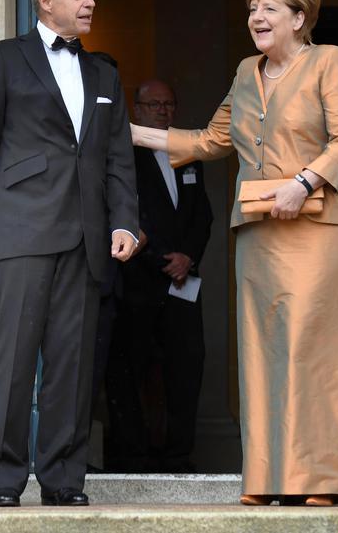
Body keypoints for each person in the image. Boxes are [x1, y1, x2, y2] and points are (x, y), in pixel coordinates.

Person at [131, 0, 338, 506]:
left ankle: (324, 479)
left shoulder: (331, 61)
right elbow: (210, 140)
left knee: (315, 348)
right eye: (252, 8)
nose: (257, 18)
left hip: (321, 223)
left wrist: (303, 182)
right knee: (262, 350)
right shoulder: (245, 72)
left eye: (269, 8)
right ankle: (267, 478)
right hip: (261, 229)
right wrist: (121, 131)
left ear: (299, 18)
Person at [0, 0, 138, 508]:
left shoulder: (105, 70)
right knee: (14, 360)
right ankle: (5, 480)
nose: (90, 2)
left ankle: (64, 479)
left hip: (87, 236)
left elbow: (117, 157)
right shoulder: (6, 58)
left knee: (72, 364)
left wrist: (126, 220)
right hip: (21, 228)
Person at [106, 79, 213, 472]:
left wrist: (188, 257)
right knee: (128, 370)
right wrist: (158, 257)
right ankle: (132, 456)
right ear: (137, 110)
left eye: (169, 104)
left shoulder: (187, 155)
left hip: (183, 283)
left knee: (186, 368)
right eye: (154, 105)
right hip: (137, 281)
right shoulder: (124, 155)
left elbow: (203, 215)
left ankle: (179, 456)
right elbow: (124, 212)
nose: (163, 111)